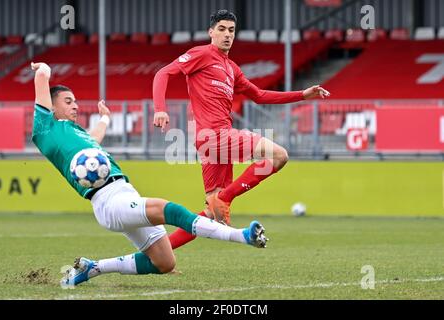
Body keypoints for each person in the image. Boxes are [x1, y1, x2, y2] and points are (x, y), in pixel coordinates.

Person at [30, 61, 268, 287]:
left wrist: (104, 117)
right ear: (51, 107)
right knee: (169, 210)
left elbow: (94, 140)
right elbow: (42, 77)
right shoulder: (46, 131)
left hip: (123, 191)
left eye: (76, 101)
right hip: (108, 200)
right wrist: (44, 68)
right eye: (68, 101)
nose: (76, 106)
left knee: (164, 262)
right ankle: (242, 236)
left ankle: (93, 268)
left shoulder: (75, 133)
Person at [152, 10, 330, 248]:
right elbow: (163, 73)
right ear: (211, 32)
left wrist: (302, 95)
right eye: (222, 29)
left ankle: (156, 253)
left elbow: (259, 95)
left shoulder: (232, 68)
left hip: (214, 144)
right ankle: (225, 198)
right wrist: (160, 108)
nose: (227, 35)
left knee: (211, 214)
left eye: (232, 30)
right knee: (279, 155)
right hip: (214, 136)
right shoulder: (201, 54)